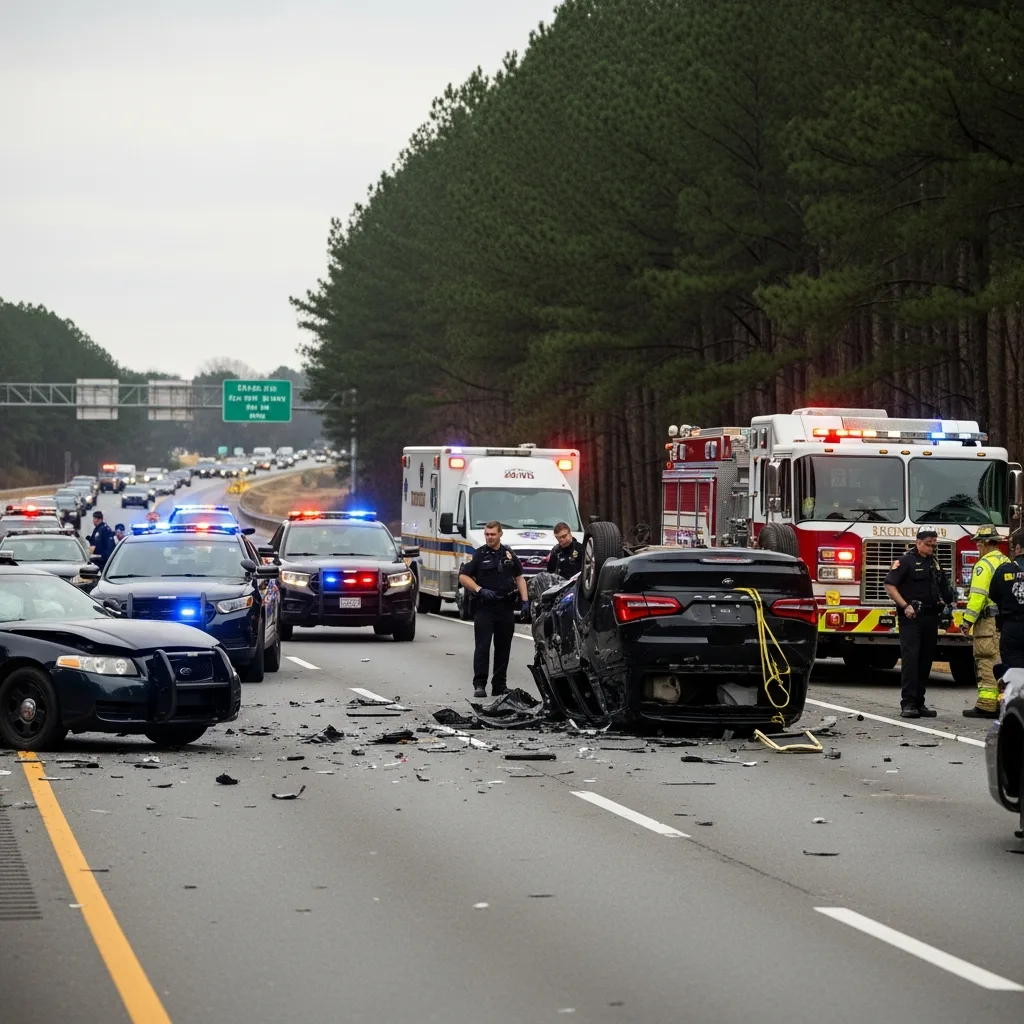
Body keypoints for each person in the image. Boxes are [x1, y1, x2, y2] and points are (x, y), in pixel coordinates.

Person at [884, 528, 956, 719]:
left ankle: (919, 702)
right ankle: (908, 703)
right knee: (911, 659)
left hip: (931, 617)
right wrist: (905, 605)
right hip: (912, 618)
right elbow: (890, 585)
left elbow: (943, 587)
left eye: (934, 544)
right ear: (918, 542)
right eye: (928, 544)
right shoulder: (905, 561)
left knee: (925, 659)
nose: (932, 547)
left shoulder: (934, 562)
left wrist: (949, 602)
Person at [459, 520, 529, 698]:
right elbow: (463, 577)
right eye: (487, 534)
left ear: (500, 534)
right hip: (485, 607)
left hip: (505, 607)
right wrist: (479, 590)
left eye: (492, 534)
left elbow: (519, 577)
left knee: (503, 648)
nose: (489, 537)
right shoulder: (480, 554)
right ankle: (479, 684)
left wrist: (525, 601)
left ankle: (499, 685)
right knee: (482, 647)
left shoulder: (509, 554)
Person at [959, 524, 1009, 718]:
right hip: (1006, 622)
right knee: (1001, 660)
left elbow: (978, 596)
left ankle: (987, 705)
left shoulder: (984, 565)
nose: (978, 547)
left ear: (987, 544)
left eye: (979, 543)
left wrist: (967, 621)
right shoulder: (1006, 562)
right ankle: (1002, 702)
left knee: (986, 660)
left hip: (988, 621)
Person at [989, 529, 1024, 672]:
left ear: (1017, 548)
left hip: (1012, 627)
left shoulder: (1003, 570)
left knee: (1012, 670)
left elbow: (993, 595)